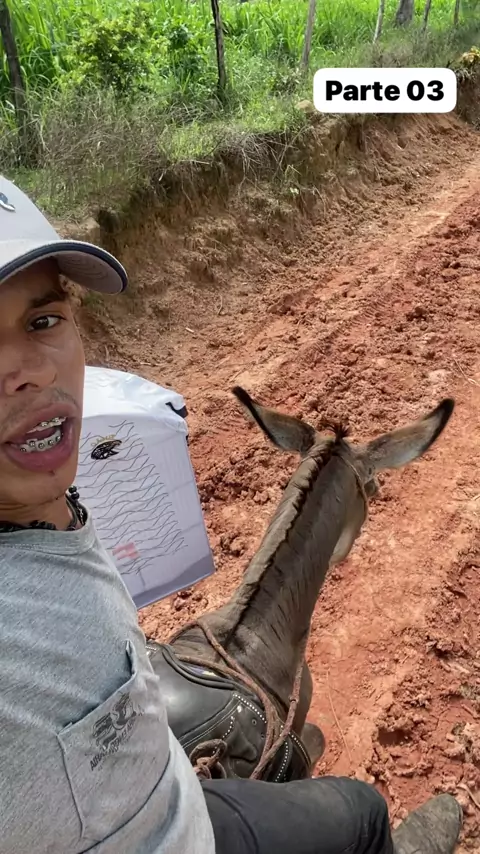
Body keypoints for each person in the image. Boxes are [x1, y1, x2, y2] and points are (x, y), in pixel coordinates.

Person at [0, 174, 463, 854]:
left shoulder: (49, 506)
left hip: (165, 784)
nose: (28, 371)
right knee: (362, 812)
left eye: (43, 321)